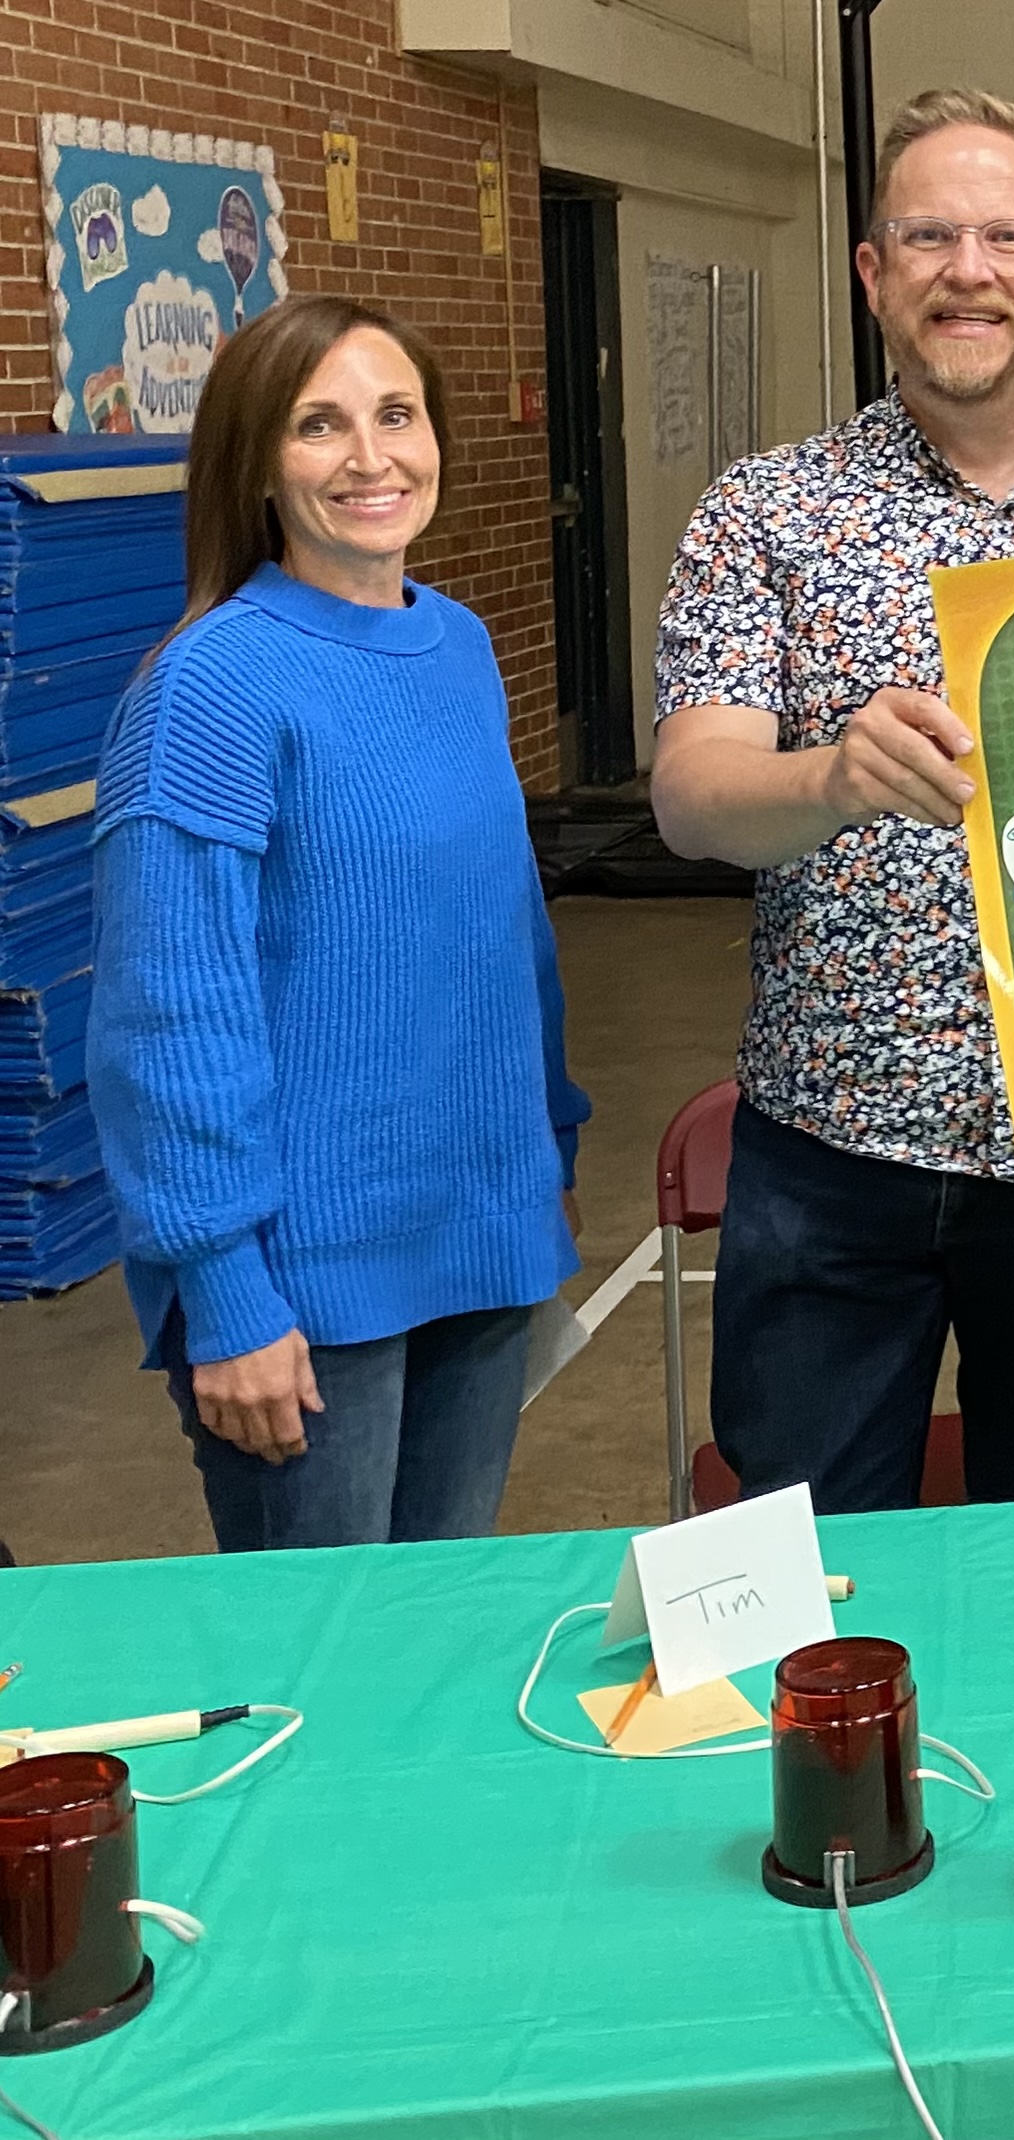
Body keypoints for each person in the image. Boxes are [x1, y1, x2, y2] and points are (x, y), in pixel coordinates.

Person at [650, 90, 1014, 1510]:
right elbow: (690, 795)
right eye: (925, 234)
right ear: (872, 273)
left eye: (1003, 234)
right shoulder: (768, 511)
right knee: (813, 1561)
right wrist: (835, 777)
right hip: (831, 1150)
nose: (965, 268)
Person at [87, 295, 590, 1550]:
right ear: (257, 461)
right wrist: (224, 1286)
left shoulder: (459, 645)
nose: (371, 459)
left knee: (435, 1640)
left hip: (479, 1232)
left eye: (396, 416)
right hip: (303, 1286)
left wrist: (547, 1150)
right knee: (322, 1677)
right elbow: (169, 1016)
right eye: (320, 425)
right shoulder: (209, 683)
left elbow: (502, 930)